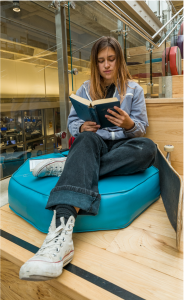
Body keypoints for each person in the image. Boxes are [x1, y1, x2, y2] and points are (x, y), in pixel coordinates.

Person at [19, 36, 156, 281]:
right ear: (95, 63)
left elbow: (141, 128)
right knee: (85, 140)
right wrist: (82, 129)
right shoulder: (85, 88)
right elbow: (73, 123)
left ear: (119, 60)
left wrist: (129, 123)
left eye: (111, 59)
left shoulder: (134, 89)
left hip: (124, 145)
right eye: (101, 60)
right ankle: (60, 236)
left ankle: (70, 166)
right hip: (95, 143)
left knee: (148, 149)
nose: (106, 65)